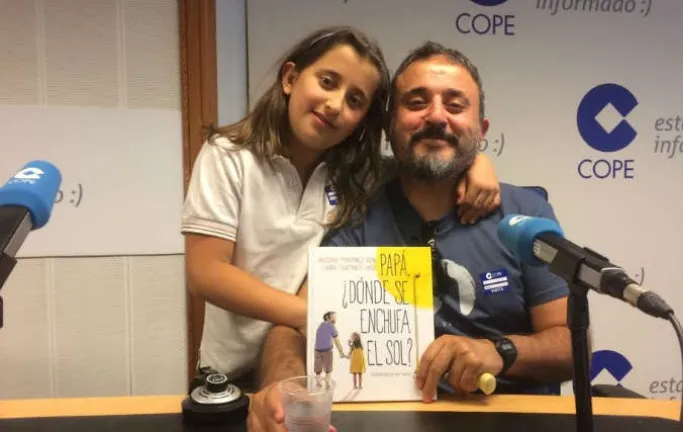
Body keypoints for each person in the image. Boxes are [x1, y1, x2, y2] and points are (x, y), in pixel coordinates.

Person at [180, 26, 501, 430]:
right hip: (233, 376)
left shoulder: (358, 173)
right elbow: (206, 273)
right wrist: (309, 314)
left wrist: (478, 162)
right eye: (327, 82)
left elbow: (427, 162)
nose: (335, 105)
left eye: (355, 100)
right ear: (290, 78)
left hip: (318, 373)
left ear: (363, 120)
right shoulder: (229, 157)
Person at [252, 40, 575, 426]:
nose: (436, 117)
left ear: (481, 131)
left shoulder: (525, 215)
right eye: (417, 102)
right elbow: (292, 325)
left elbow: (572, 345)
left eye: (455, 105)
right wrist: (282, 382)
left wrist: (500, 351)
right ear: (389, 127)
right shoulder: (356, 215)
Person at [313, 312, 346, 383]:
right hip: (325, 351)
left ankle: (320, 382)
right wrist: (341, 352)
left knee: (319, 370)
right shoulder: (331, 326)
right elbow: (337, 341)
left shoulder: (321, 325)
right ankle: (326, 382)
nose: (335, 319)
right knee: (327, 370)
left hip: (318, 350)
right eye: (333, 317)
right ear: (327, 318)